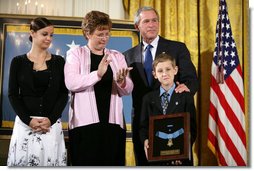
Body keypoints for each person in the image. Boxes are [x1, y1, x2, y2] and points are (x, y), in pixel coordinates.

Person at [123, 6, 198, 165]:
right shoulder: (127, 56)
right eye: (147, 21)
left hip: (174, 120)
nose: (152, 24)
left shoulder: (177, 48)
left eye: (155, 20)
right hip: (143, 122)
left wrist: (186, 89)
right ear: (137, 26)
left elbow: (191, 79)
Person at [64, 10, 133, 166]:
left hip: (113, 126)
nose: (105, 38)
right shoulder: (75, 54)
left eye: (107, 34)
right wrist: (98, 74)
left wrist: (122, 82)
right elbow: (71, 82)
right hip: (84, 127)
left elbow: (128, 89)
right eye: (100, 34)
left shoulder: (116, 56)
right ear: (87, 33)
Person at [7, 17, 68, 166]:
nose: (49, 38)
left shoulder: (59, 61)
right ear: (32, 33)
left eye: (51, 35)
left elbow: (63, 93)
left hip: (51, 126)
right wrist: (28, 120)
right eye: (45, 34)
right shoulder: (18, 62)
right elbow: (13, 95)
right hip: (24, 125)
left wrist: (51, 120)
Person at [139, 53, 197, 166]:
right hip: (156, 159)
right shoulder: (148, 99)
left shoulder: (186, 97)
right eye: (160, 71)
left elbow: (192, 127)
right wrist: (146, 140)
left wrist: (182, 151)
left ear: (175, 70)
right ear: (154, 74)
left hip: (180, 160)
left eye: (168, 69)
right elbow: (143, 126)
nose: (164, 74)